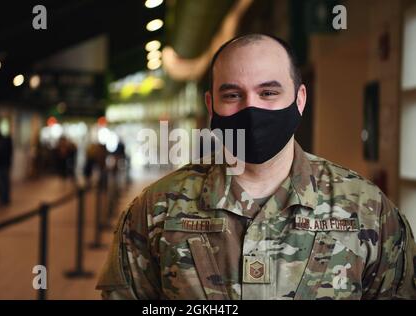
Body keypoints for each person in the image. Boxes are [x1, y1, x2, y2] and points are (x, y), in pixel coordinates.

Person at [96, 34, 416, 300]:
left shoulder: (367, 210)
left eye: (268, 92)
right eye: (233, 94)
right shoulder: (155, 210)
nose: (251, 109)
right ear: (211, 106)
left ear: (299, 99)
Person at [0, 132, 13, 205]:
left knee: (3, 184)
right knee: (4, 183)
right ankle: (5, 199)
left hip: (2, 166)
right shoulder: (5, 143)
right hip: (4, 166)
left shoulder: (1, 145)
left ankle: (4, 199)